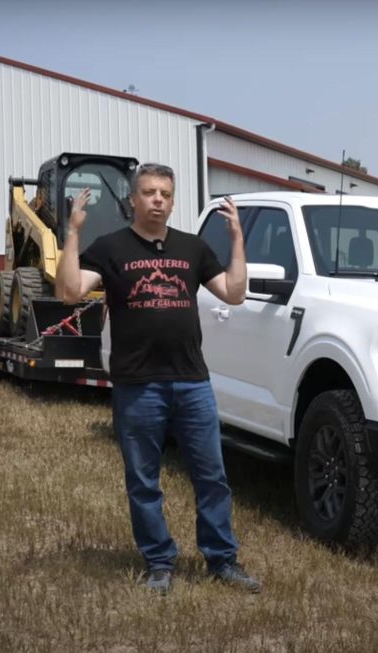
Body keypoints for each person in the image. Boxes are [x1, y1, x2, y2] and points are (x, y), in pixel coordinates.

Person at [56, 163, 260, 595]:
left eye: (165, 193)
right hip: (138, 385)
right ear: (133, 199)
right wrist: (73, 232)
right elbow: (70, 292)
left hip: (192, 383)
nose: (157, 200)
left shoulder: (193, 247)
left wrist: (238, 240)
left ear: (173, 199)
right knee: (144, 481)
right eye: (149, 192)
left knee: (212, 477)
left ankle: (222, 560)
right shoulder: (110, 248)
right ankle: (159, 562)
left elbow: (235, 293)